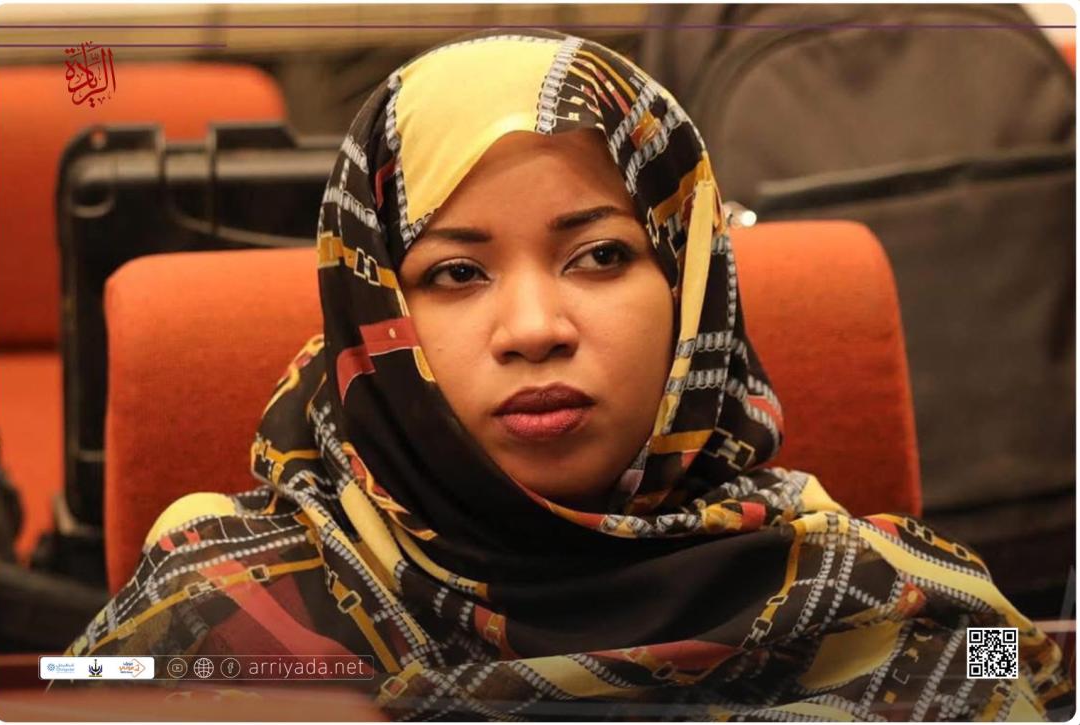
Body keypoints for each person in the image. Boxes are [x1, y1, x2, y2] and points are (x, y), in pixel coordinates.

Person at [62, 30, 1072, 721]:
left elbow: (1027, 674)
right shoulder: (215, 620)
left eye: (599, 256)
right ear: (374, 315)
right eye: (456, 274)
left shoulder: (897, 607)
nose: (536, 329)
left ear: (689, 286)